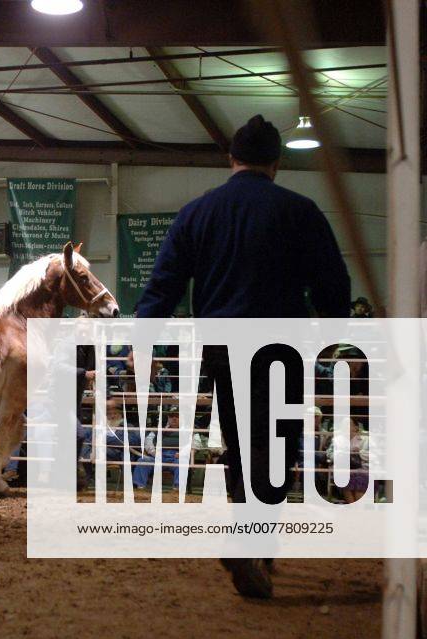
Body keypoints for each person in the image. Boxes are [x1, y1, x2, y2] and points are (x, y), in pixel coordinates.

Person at [136, 114, 351, 599]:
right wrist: (334, 332)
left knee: (242, 445)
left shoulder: (197, 212)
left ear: (231, 158)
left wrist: (144, 339)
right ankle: (252, 542)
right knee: (276, 449)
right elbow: (333, 283)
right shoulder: (301, 210)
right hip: (281, 347)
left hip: (224, 350)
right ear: (275, 163)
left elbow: (163, 283)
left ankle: (253, 543)